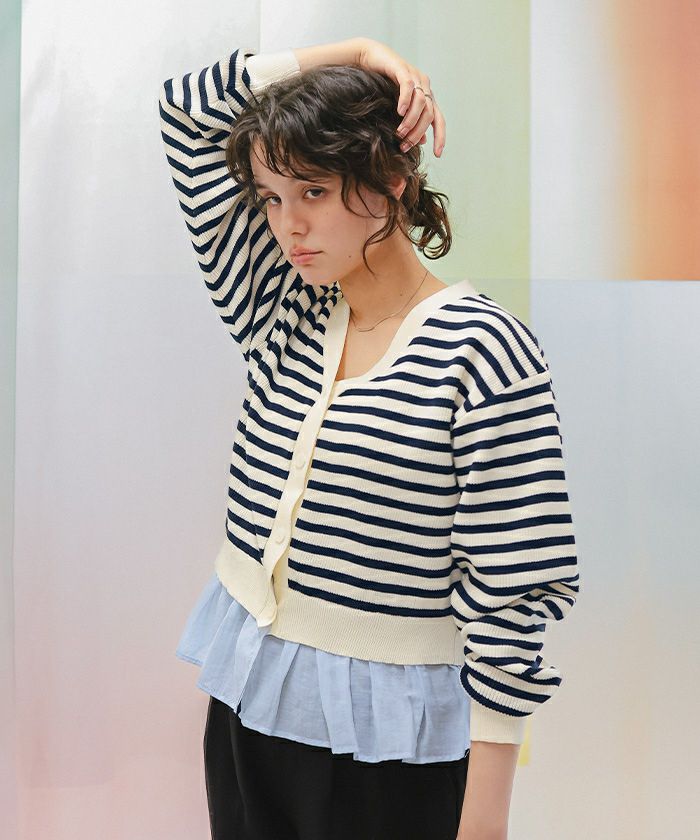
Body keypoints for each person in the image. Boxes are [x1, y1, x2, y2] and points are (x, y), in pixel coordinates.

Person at [158, 36, 579, 840]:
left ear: (392, 177)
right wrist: (355, 53)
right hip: (246, 710)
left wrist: (484, 819)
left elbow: (510, 591)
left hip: (386, 755)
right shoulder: (283, 311)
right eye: (269, 197)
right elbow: (185, 112)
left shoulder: (484, 351)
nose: (287, 225)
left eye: (313, 190)